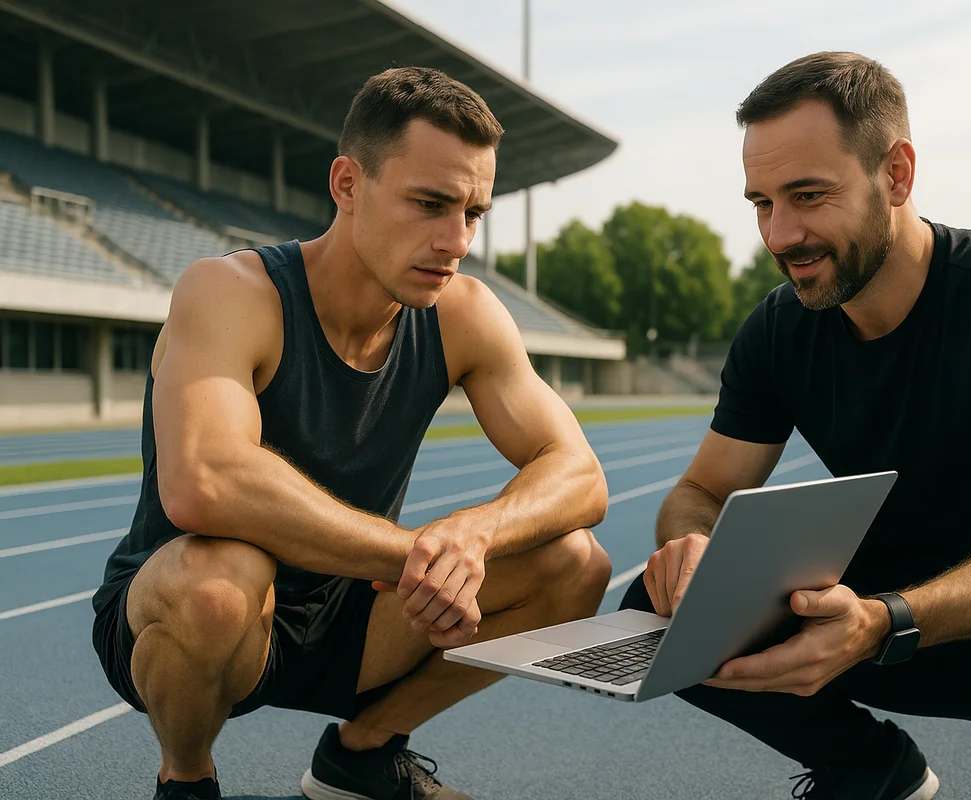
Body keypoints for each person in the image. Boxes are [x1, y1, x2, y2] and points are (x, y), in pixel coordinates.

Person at [622, 51, 971, 800]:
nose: (781, 234)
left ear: (896, 174)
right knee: (660, 614)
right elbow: (701, 489)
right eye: (761, 203)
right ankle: (873, 773)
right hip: (887, 613)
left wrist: (888, 622)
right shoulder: (780, 330)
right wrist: (691, 548)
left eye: (808, 195)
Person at [91, 66, 613, 800]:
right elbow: (204, 482)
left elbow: (580, 474)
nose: (455, 239)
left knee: (576, 564)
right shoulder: (232, 292)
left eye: (473, 213)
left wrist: (473, 535)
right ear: (347, 185)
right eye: (430, 204)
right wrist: (414, 555)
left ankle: (361, 755)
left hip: (352, 617)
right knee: (219, 581)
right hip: (196, 613)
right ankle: (187, 778)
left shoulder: (462, 312)